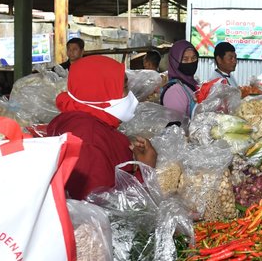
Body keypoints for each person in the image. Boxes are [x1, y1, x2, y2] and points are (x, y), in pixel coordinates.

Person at [47, 55, 157, 200]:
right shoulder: (88, 141)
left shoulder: (84, 121)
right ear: (99, 91)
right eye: (124, 87)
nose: (130, 95)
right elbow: (103, 212)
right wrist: (145, 171)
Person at [159, 40, 199, 118]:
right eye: (185, 59)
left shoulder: (192, 83)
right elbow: (176, 127)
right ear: (175, 62)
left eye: (194, 58)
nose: (190, 62)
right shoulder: (175, 91)